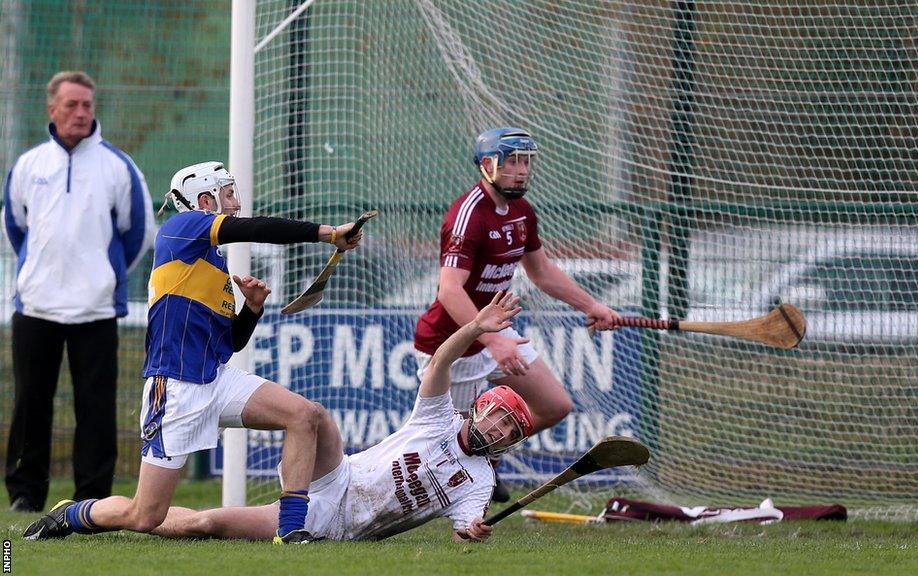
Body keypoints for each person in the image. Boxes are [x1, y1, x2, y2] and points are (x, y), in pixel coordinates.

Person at [22, 161, 363, 544]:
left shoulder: (213, 263)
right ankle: (72, 513)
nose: (235, 203)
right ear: (205, 200)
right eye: (228, 193)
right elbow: (254, 228)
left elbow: (230, 343)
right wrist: (327, 233)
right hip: (176, 388)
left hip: (216, 379)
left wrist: (251, 308)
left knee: (305, 415)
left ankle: (291, 530)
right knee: (145, 515)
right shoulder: (181, 229)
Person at [25, 291, 533, 544]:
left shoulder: (481, 482)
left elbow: (467, 524)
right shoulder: (438, 418)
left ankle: (75, 512)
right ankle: (292, 532)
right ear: (480, 407)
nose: (500, 431)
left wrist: (471, 533)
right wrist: (476, 325)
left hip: (337, 527)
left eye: (510, 432)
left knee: (202, 523)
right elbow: (442, 361)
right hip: (338, 475)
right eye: (500, 418)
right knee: (312, 415)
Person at [413, 127, 620, 502]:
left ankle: (486, 458)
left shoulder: (522, 212)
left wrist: (592, 306)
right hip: (454, 345)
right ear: (488, 165)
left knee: (555, 406)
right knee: (448, 445)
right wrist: (493, 340)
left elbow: (541, 272)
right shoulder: (469, 215)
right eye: (512, 162)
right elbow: (449, 290)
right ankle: (449, 493)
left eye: (526, 161)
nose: (521, 170)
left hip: (493, 335)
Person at [2, 70, 156, 513]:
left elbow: (138, 233)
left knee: (96, 408)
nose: (81, 113)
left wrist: (102, 275)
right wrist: (42, 270)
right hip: (36, 307)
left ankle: (92, 500)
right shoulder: (30, 165)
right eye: (71, 105)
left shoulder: (117, 166)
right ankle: (25, 496)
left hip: (95, 310)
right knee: (31, 404)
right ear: (52, 109)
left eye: (87, 105)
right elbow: (16, 227)